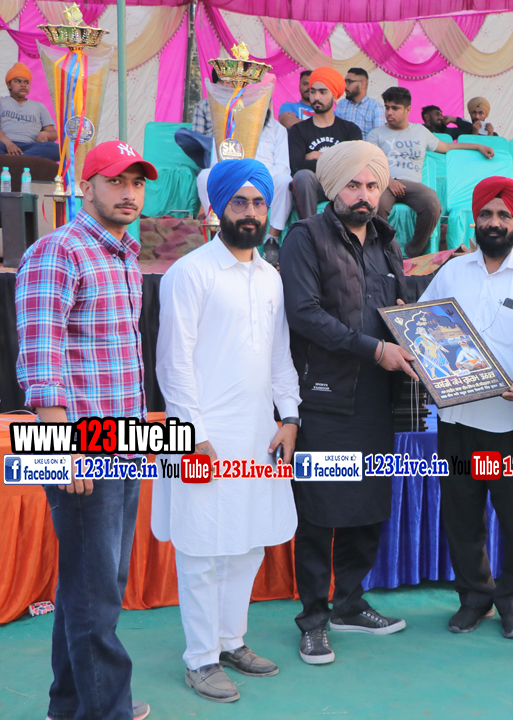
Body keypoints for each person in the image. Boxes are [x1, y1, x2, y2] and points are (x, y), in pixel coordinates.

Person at [15, 140, 158, 720]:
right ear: (86, 185)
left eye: (137, 183)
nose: (129, 193)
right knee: (95, 589)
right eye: (116, 180)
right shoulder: (58, 252)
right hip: (81, 450)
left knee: (94, 583)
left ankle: (71, 704)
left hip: (124, 445)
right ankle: (105, 710)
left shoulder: (123, 256)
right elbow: (41, 361)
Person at [154, 159, 300, 703]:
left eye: (258, 202)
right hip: (201, 436)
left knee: (247, 544)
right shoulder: (189, 273)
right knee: (201, 549)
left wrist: (290, 416)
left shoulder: (271, 277)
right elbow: (173, 362)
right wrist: (190, 432)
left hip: (257, 434)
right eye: (239, 202)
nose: (250, 212)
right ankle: (200, 658)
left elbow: (280, 357)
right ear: (218, 208)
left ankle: (231, 640)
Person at [279, 140, 418, 665]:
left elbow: (398, 306)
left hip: (379, 398)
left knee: (368, 507)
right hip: (325, 399)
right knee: (319, 512)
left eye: (373, 185)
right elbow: (304, 314)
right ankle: (313, 619)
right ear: (334, 187)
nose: (364, 195)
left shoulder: (386, 240)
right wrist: (375, 349)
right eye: (354, 185)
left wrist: (409, 320)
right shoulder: (305, 236)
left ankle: (350, 604)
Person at [418, 176, 513, 638]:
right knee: (462, 514)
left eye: (504, 215)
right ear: (475, 220)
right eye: (486, 214)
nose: (494, 222)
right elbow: (422, 327)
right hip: (457, 420)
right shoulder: (452, 272)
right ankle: (474, 598)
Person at [365, 86, 495, 258]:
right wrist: (388, 180)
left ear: (407, 110)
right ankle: (385, 250)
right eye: (387, 107)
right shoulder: (376, 134)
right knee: (377, 205)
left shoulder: (420, 131)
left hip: (412, 185)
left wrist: (478, 146)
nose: (389, 112)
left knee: (433, 205)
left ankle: (413, 252)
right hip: (385, 183)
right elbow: (369, 164)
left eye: (395, 108)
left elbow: (447, 147)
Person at [196, 109, 292, 241]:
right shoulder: (225, 128)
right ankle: (219, 231)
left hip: (265, 180)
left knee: (284, 180)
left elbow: (283, 167)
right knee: (204, 176)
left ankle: (272, 238)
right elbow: (216, 167)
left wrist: (256, 176)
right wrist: (241, 175)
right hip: (233, 179)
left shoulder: (277, 129)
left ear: (268, 104)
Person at [288, 67, 363, 219]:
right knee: (302, 176)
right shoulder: (298, 130)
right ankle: (309, 228)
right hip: (314, 186)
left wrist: (316, 156)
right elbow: (296, 166)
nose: (316, 97)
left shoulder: (350, 130)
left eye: (323, 92)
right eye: (313, 92)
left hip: (341, 184)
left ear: (334, 95)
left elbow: (353, 165)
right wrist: (336, 159)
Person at [1, 62, 59, 160]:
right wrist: (8, 144)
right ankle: (21, 159)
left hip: (30, 147)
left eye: (26, 82)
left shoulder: (39, 106)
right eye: (18, 81)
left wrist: (45, 134)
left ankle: (12, 159)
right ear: (9, 85)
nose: (23, 85)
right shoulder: (2, 102)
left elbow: (53, 133)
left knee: (57, 149)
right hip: (4, 145)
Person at [174, 68, 230, 170]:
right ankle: (213, 146)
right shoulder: (204, 105)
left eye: (229, 82)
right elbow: (197, 137)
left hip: (233, 149)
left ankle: (215, 147)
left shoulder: (242, 105)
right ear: (215, 84)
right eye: (221, 81)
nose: (225, 85)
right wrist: (212, 143)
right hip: (208, 149)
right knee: (181, 134)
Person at [335, 67, 384, 137]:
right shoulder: (341, 104)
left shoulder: (376, 107)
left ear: (362, 84)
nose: (345, 86)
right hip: (344, 143)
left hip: (366, 144)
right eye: (345, 82)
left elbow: (379, 136)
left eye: (349, 82)